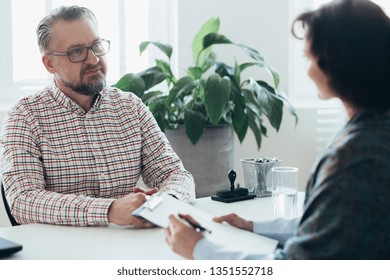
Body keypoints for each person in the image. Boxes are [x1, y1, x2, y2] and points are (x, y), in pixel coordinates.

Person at [164, 0, 390, 259]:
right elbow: (335, 224)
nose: (307, 71)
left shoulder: (356, 160)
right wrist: (253, 226)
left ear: (339, 64)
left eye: (309, 59)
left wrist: (200, 249)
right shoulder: (376, 130)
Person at [0, 5, 195, 227]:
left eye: (96, 46)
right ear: (49, 63)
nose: (93, 60)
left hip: (128, 242)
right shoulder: (24, 116)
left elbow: (175, 175)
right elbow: (23, 200)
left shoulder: (131, 107)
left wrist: (163, 204)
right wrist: (109, 210)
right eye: (76, 52)